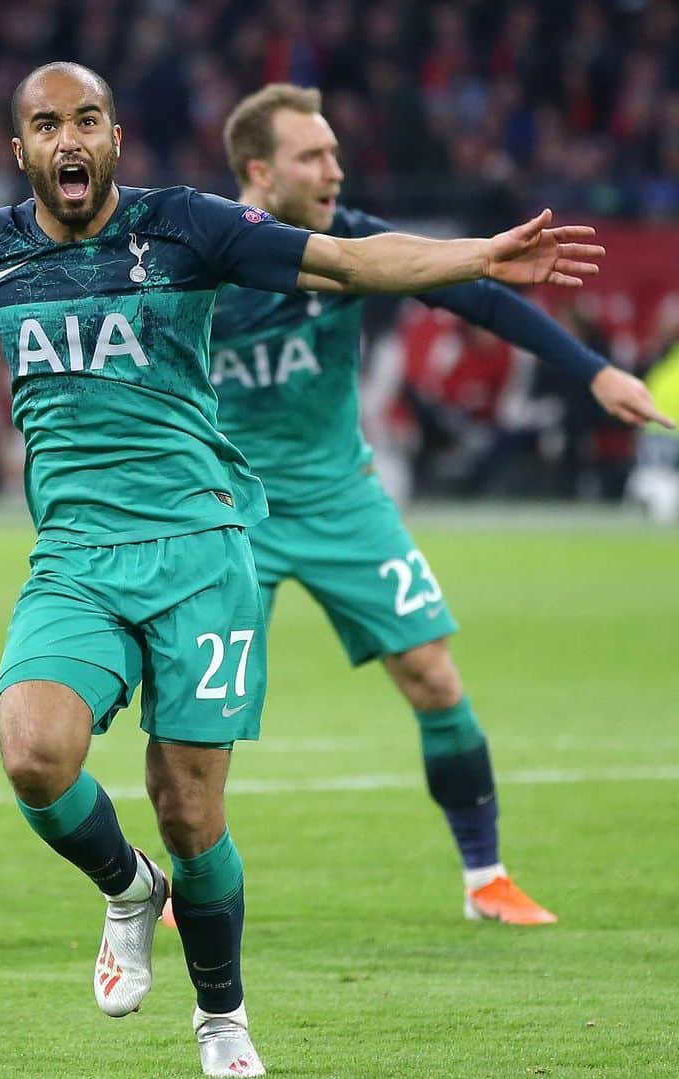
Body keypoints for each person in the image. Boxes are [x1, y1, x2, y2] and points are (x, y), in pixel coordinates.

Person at [0, 63, 607, 1078]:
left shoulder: (184, 228)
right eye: (47, 123)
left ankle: (223, 1018)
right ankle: (128, 884)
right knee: (32, 752)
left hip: (202, 554)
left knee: (191, 808)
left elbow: (348, 262)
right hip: (77, 561)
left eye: (88, 119)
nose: (70, 138)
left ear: (113, 140)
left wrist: (478, 256)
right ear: (21, 150)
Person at [203, 83, 672, 927]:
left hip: (344, 500)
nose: (334, 170)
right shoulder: (200, 262)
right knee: (207, 711)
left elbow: (481, 296)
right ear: (258, 170)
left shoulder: (352, 243)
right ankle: (190, 882)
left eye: (336, 152)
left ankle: (485, 877)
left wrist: (594, 371)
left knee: (432, 673)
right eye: (312, 157)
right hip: (231, 511)